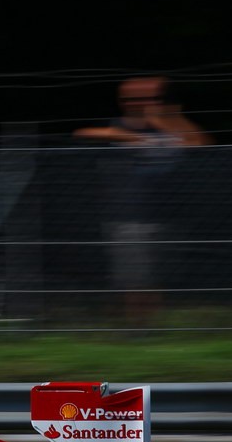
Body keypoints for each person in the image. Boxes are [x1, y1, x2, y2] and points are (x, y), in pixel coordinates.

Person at [74, 76, 210, 325]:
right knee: (135, 278)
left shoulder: (174, 126)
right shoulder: (116, 127)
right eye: (133, 99)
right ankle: (137, 327)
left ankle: (154, 326)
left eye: (150, 98)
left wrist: (163, 121)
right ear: (122, 102)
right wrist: (129, 137)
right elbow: (84, 133)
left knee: (159, 276)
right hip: (129, 216)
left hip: (169, 214)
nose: (142, 103)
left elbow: (200, 144)